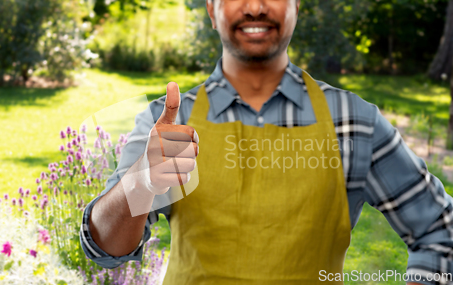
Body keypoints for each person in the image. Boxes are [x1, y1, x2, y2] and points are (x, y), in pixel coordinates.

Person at [80, 0, 453, 283]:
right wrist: (141, 180)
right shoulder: (169, 123)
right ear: (212, 9)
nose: (256, 7)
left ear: (296, 7)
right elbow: (103, 249)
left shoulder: (354, 123)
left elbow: (440, 229)